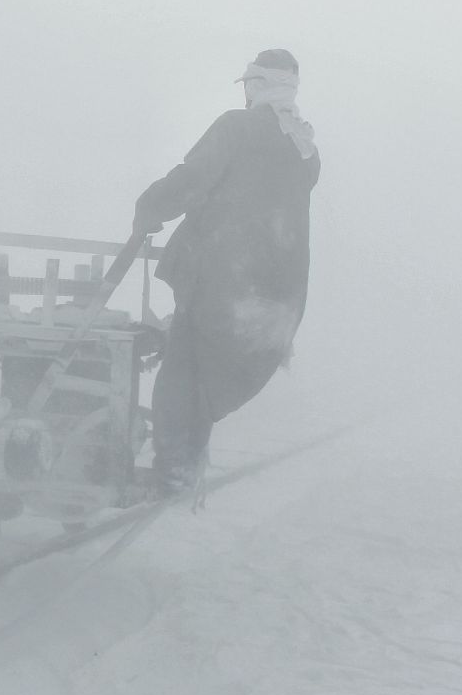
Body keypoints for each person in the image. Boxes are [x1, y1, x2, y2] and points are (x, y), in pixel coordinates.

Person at [132, 48, 322, 495]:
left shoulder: (238, 128)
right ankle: (187, 460)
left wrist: (149, 207)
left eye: (249, 86)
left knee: (182, 369)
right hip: (277, 298)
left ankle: (176, 467)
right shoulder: (304, 147)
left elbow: (194, 177)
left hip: (226, 281)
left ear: (258, 85)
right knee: (207, 374)